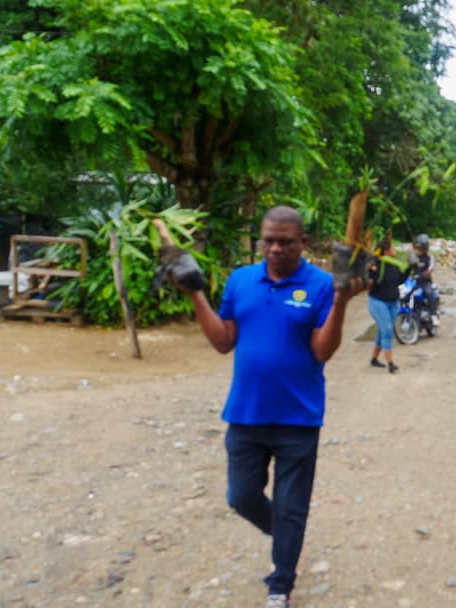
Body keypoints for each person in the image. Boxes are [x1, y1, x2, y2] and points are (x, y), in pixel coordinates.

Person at [177, 205, 364, 608]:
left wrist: (341, 302)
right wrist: (195, 293)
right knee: (241, 497)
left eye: (285, 242)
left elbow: (322, 351)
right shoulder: (241, 280)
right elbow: (223, 341)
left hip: (298, 418)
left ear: (303, 243)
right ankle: (285, 536)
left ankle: (281, 584)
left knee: (292, 506)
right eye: (269, 241)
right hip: (246, 413)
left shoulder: (322, 285)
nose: (276, 249)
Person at [367, 239, 404, 373]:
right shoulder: (376, 264)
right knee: (387, 330)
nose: (395, 250)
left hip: (393, 302)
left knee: (384, 330)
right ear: (386, 251)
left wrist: (411, 267)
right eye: (392, 248)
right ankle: (391, 363)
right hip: (378, 302)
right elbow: (372, 277)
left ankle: (374, 359)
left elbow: (401, 280)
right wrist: (372, 268)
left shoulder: (394, 265)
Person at [409, 233, 439, 326]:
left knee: (429, 293)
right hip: (414, 282)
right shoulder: (413, 256)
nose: (418, 249)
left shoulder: (430, 257)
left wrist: (425, 274)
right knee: (403, 294)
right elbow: (409, 266)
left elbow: (430, 269)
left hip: (425, 283)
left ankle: (433, 315)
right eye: (417, 247)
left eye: (420, 248)